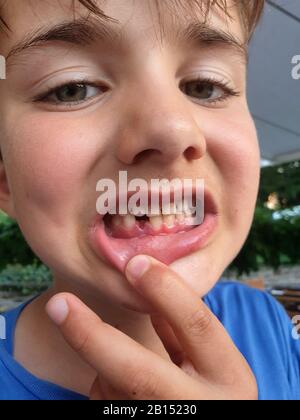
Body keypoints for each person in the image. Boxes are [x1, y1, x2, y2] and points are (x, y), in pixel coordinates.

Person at [0, 0, 299, 400]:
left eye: (204, 86)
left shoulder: (266, 319)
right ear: (4, 182)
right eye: (72, 88)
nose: (172, 128)